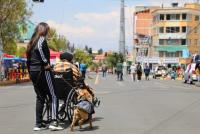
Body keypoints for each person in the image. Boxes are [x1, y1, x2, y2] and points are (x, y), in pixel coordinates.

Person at [26, 22, 63, 131]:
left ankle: (38, 124)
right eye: (47, 30)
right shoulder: (41, 39)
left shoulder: (31, 41)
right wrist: (46, 63)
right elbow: (40, 49)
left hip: (33, 71)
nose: (48, 32)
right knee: (54, 95)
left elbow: (28, 58)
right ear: (44, 30)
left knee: (40, 97)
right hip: (43, 71)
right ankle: (54, 121)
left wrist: (30, 71)